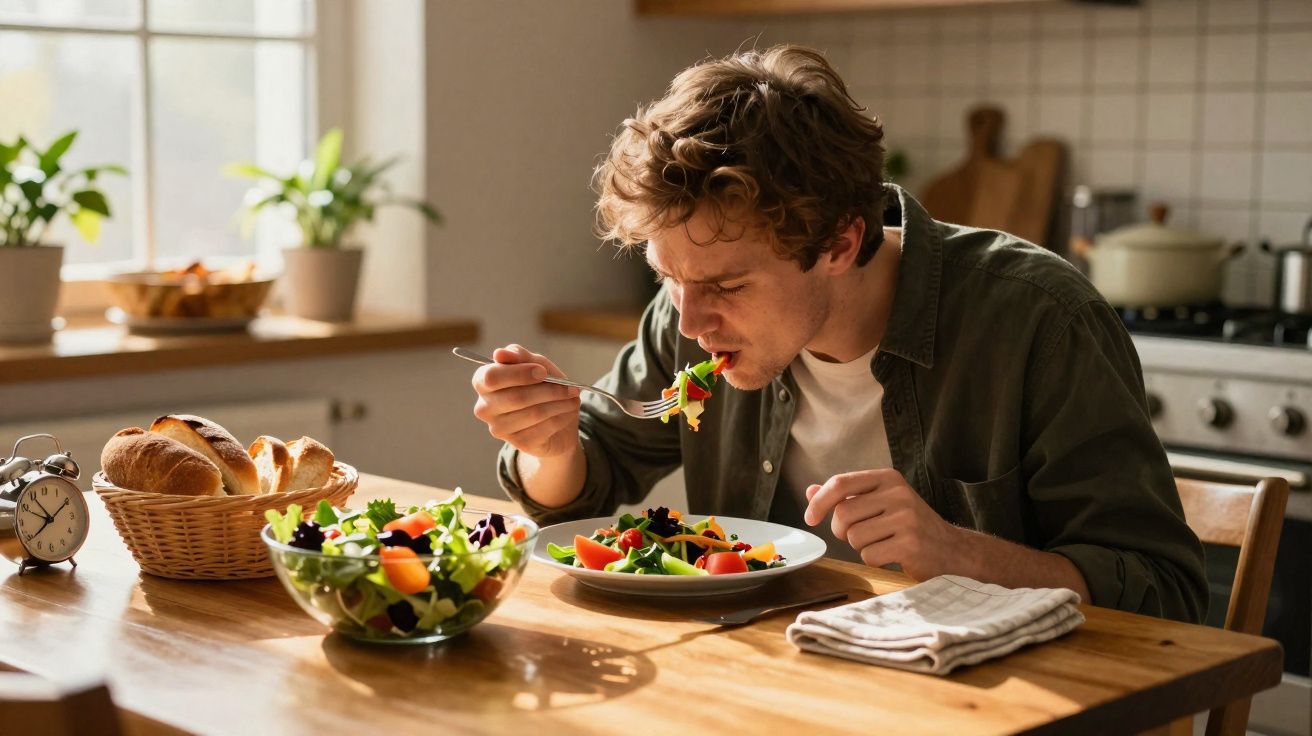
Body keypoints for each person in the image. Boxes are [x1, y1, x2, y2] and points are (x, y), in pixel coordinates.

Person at [470, 44, 1206, 623]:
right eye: (668, 278)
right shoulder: (691, 313)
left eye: (726, 286)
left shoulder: (1039, 320)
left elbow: (1166, 593)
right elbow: (583, 485)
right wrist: (552, 447)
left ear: (840, 245)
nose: (691, 323)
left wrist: (958, 553)